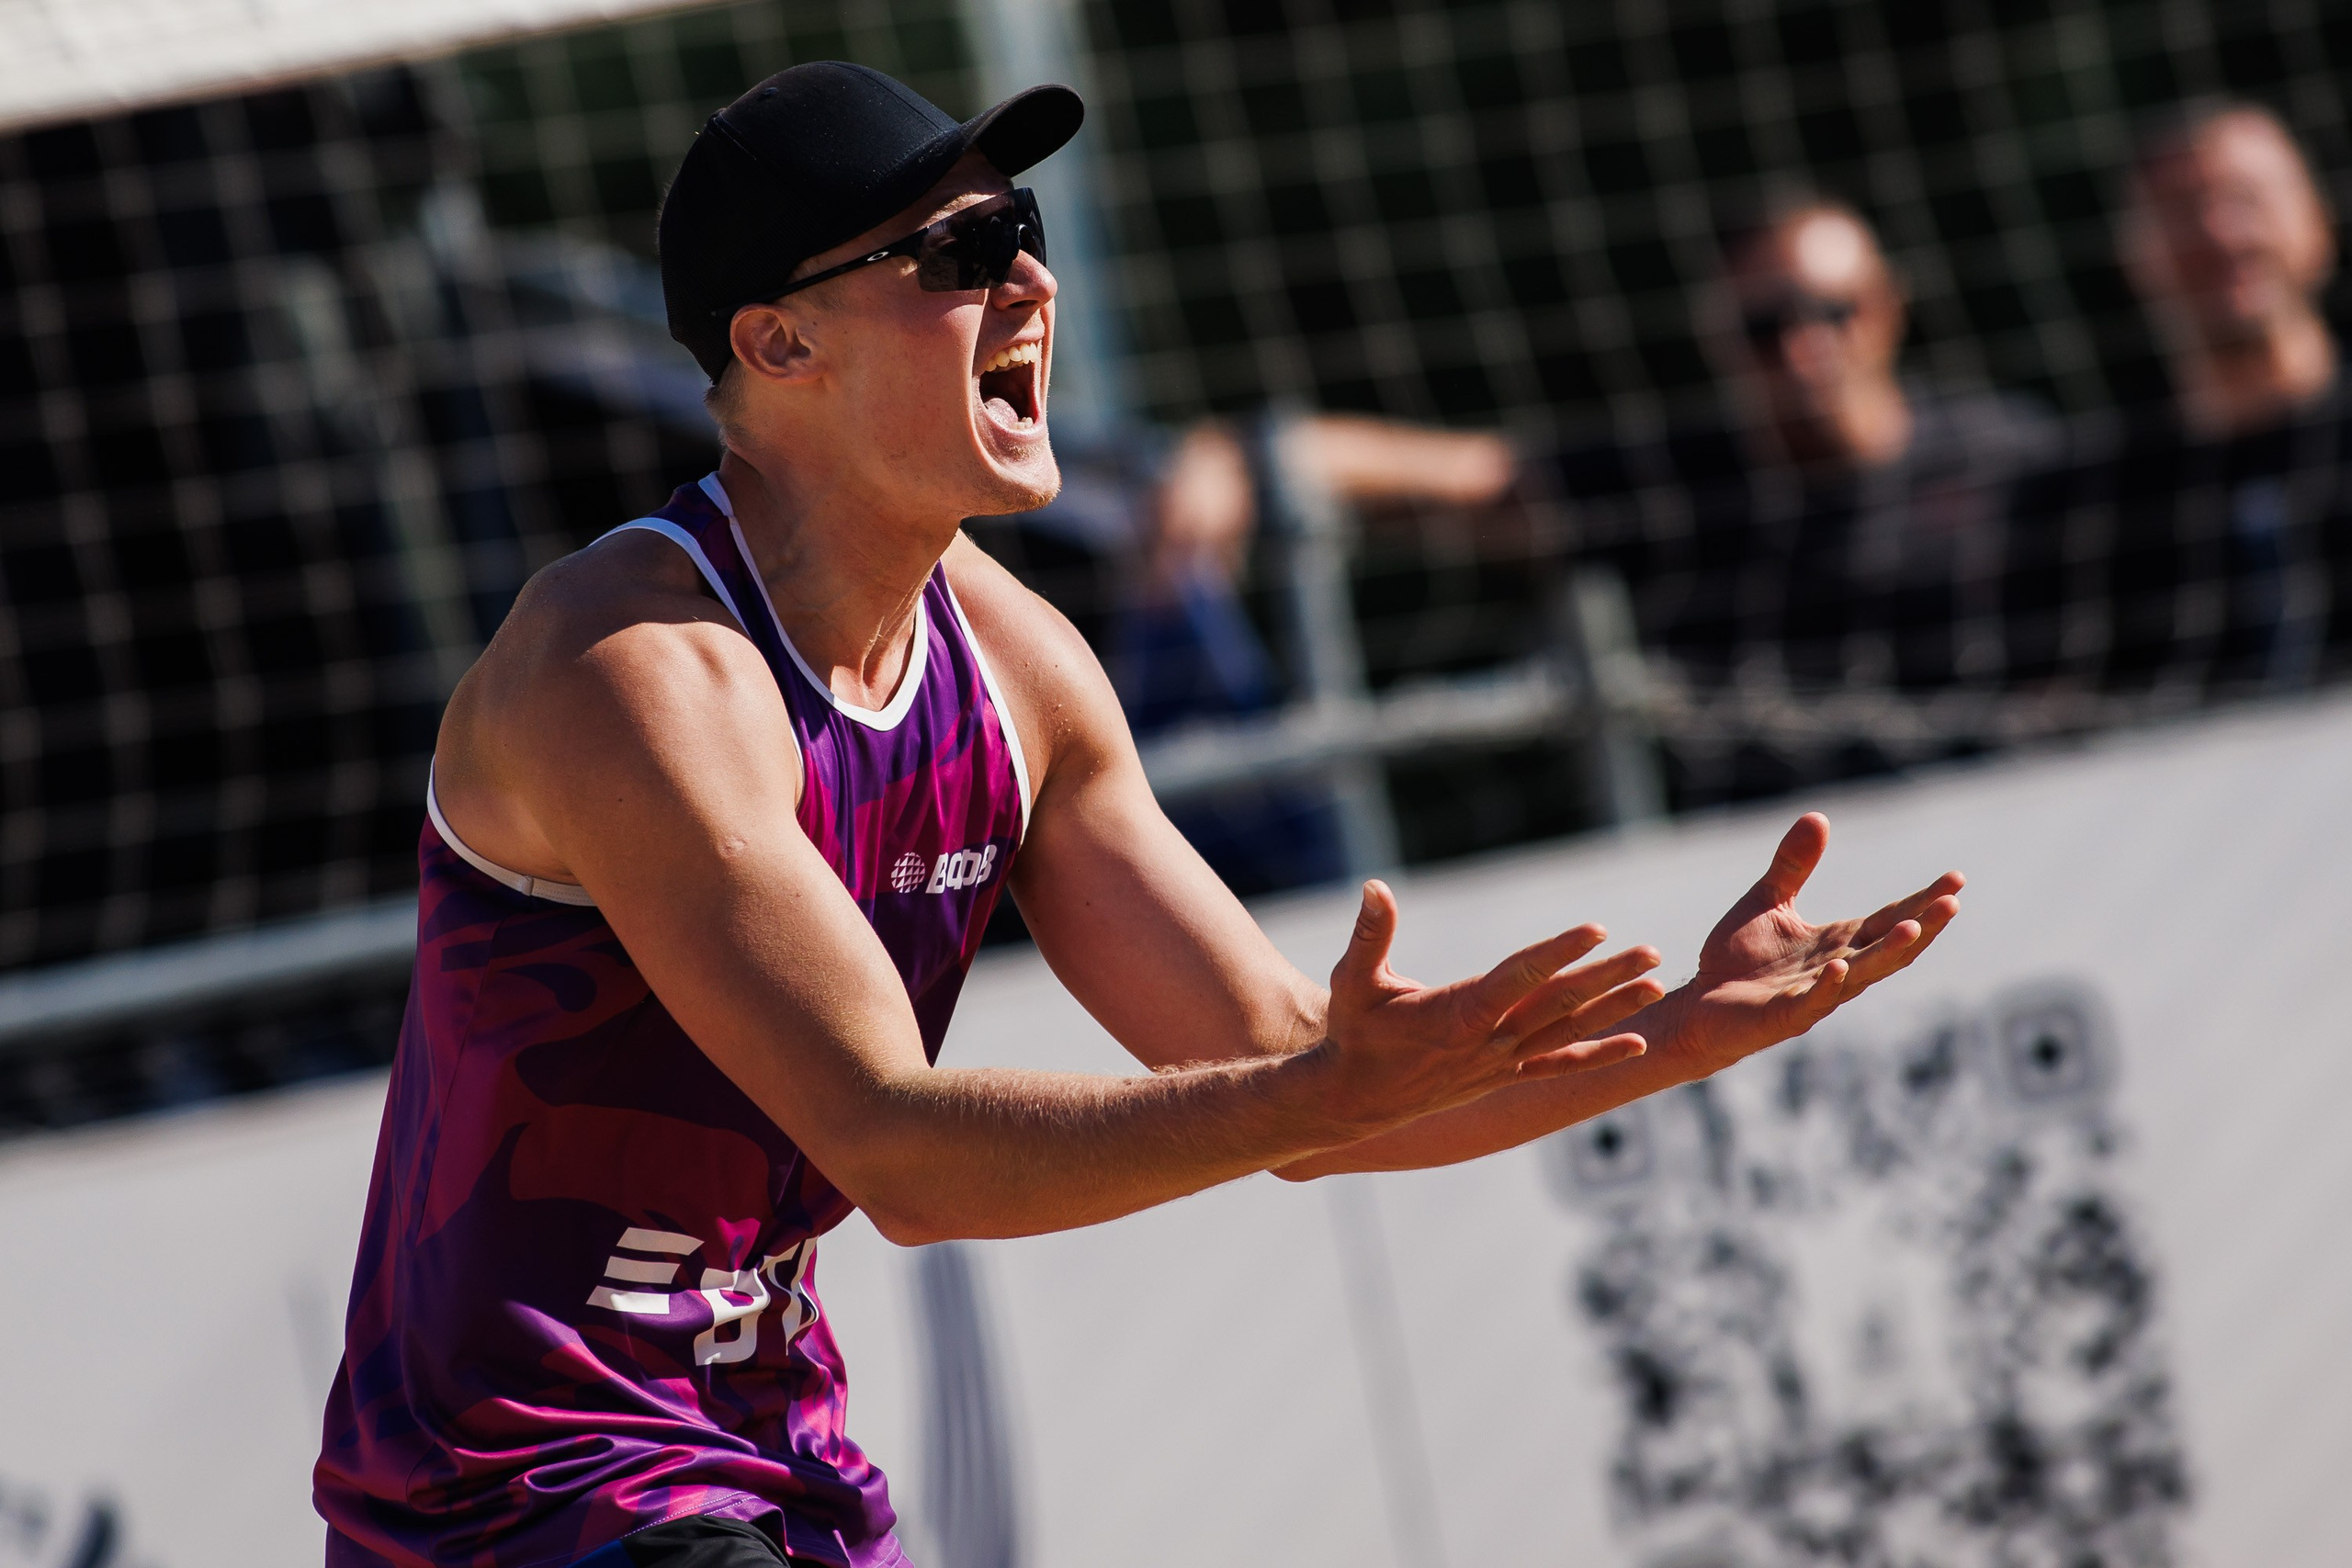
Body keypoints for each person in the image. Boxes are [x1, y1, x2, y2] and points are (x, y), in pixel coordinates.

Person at [311, 62, 1962, 1568]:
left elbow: (1297, 1082)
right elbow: (901, 1147)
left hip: (759, 1468)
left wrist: (1689, 1030)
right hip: (513, 1502)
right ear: (779, 343)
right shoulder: (636, 667)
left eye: (1016, 230)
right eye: (955, 254)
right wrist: (1309, 1086)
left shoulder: (1018, 665)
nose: (1029, 279)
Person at [1546, 199, 2058, 801]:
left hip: (2003, 809)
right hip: (1764, 851)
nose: (1804, 349)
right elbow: (1479, 481)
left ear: (1888, 304)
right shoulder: (1669, 488)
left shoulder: (2011, 452)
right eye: (1764, 328)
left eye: (1833, 311)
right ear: (1718, 337)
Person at [2008, 100, 2352, 695]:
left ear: (2317, 223)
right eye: (2179, 210)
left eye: (2247, 198)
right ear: (2133, 255)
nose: (2220, 232)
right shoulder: (2079, 505)